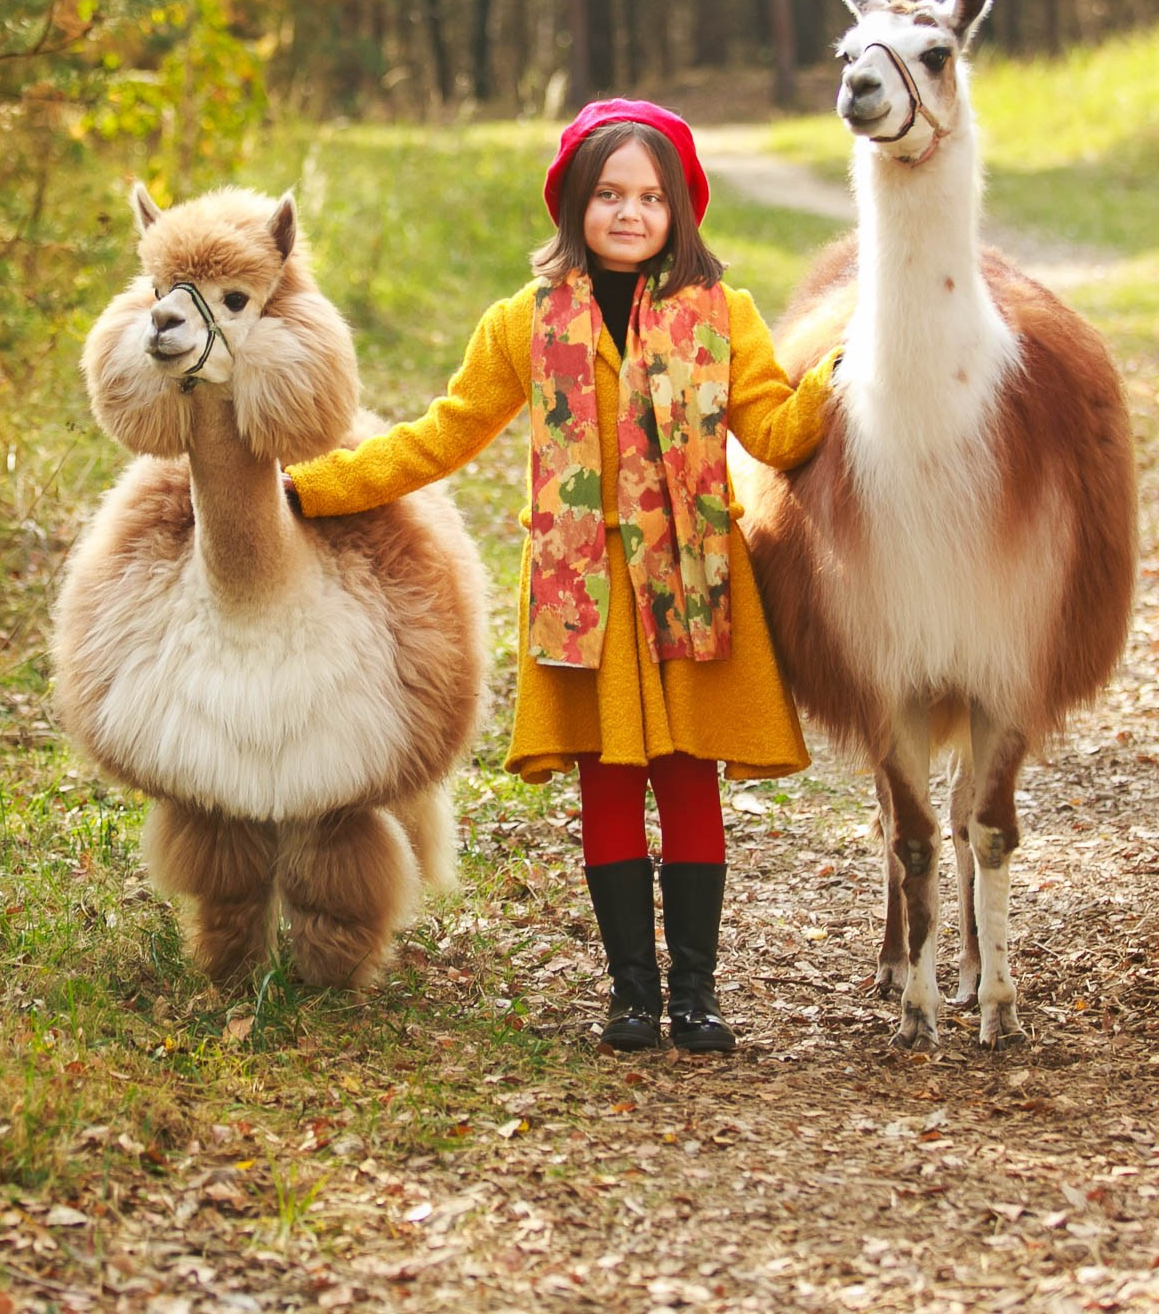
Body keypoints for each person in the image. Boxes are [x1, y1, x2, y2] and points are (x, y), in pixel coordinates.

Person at [284, 100, 839, 1055]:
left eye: (652, 197)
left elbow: (777, 432)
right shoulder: (526, 322)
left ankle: (696, 996)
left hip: (691, 580)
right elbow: (443, 434)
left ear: (681, 209)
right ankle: (632, 996)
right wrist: (315, 488)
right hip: (585, 590)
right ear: (575, 201)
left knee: (688, 780)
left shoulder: (722, 315)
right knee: (608, 784)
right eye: (610, 194)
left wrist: (836, 377)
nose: (631, 213)